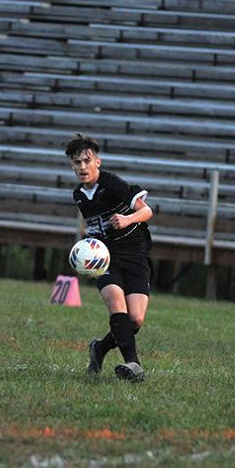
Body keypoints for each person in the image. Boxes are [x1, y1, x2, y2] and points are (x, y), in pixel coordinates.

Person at [66, 134, 154, 382]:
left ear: (97, 162)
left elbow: (147, 211)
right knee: (117, 304)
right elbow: (95, 226)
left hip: (136, 255)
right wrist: (86, 248)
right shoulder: (79, 195)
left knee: (135, 319)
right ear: (72, 166)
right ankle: (133, 365)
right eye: (77, 162)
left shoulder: (113, 184)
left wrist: (127, 219)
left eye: (87, 161)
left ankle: (99, 348)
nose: (82, 167)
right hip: (107, 259)